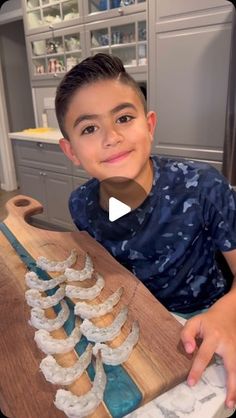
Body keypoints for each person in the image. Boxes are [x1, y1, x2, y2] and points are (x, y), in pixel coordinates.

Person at [55, 53, 236, 409]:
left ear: (149, 125)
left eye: (124, 118)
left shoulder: (203, 188)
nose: (112, 137)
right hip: (132, 338)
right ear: (71, 151)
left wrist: (226, 312)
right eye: (89, 128)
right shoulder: (81, 205)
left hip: (205, 332)